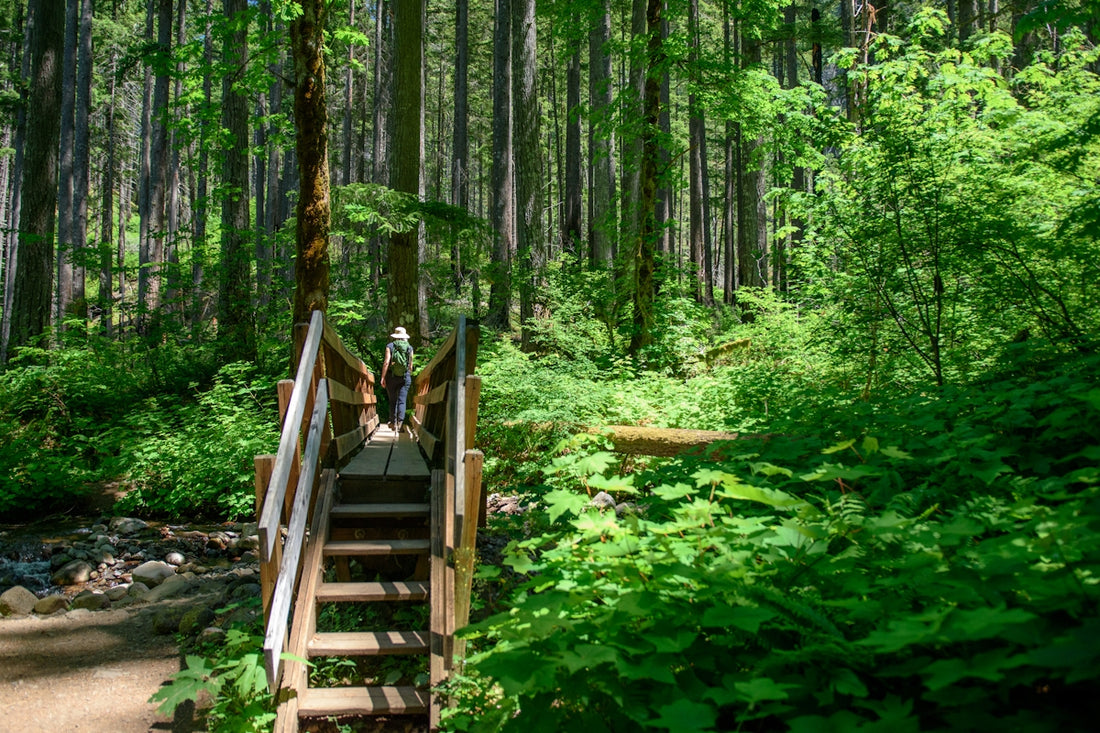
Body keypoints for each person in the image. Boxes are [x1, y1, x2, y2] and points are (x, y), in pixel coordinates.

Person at [381, 326, 414, 433]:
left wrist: (383, 377)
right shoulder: (410, 347)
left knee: (393, 400)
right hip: (405, 376)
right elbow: (410, 366)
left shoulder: (390, 346)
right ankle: (400, 423)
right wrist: (408, 375)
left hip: (391, 376)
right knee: (402, 400)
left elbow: (386, 362)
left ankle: (393, 422)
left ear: (395, 335)